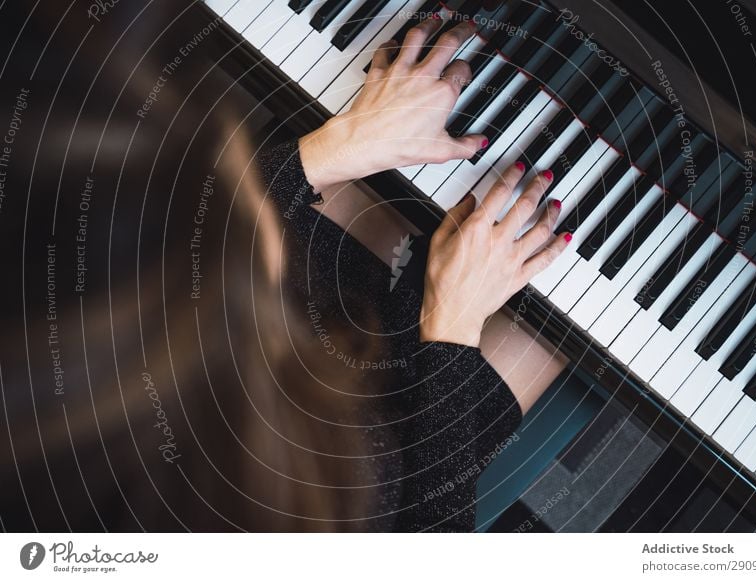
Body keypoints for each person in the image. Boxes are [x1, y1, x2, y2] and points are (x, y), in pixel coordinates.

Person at [0, 11, 568, 532]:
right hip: (401, 461)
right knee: (557, 306)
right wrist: (452, 324)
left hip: (227, 338)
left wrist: (334, 147)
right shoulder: (297, 513)